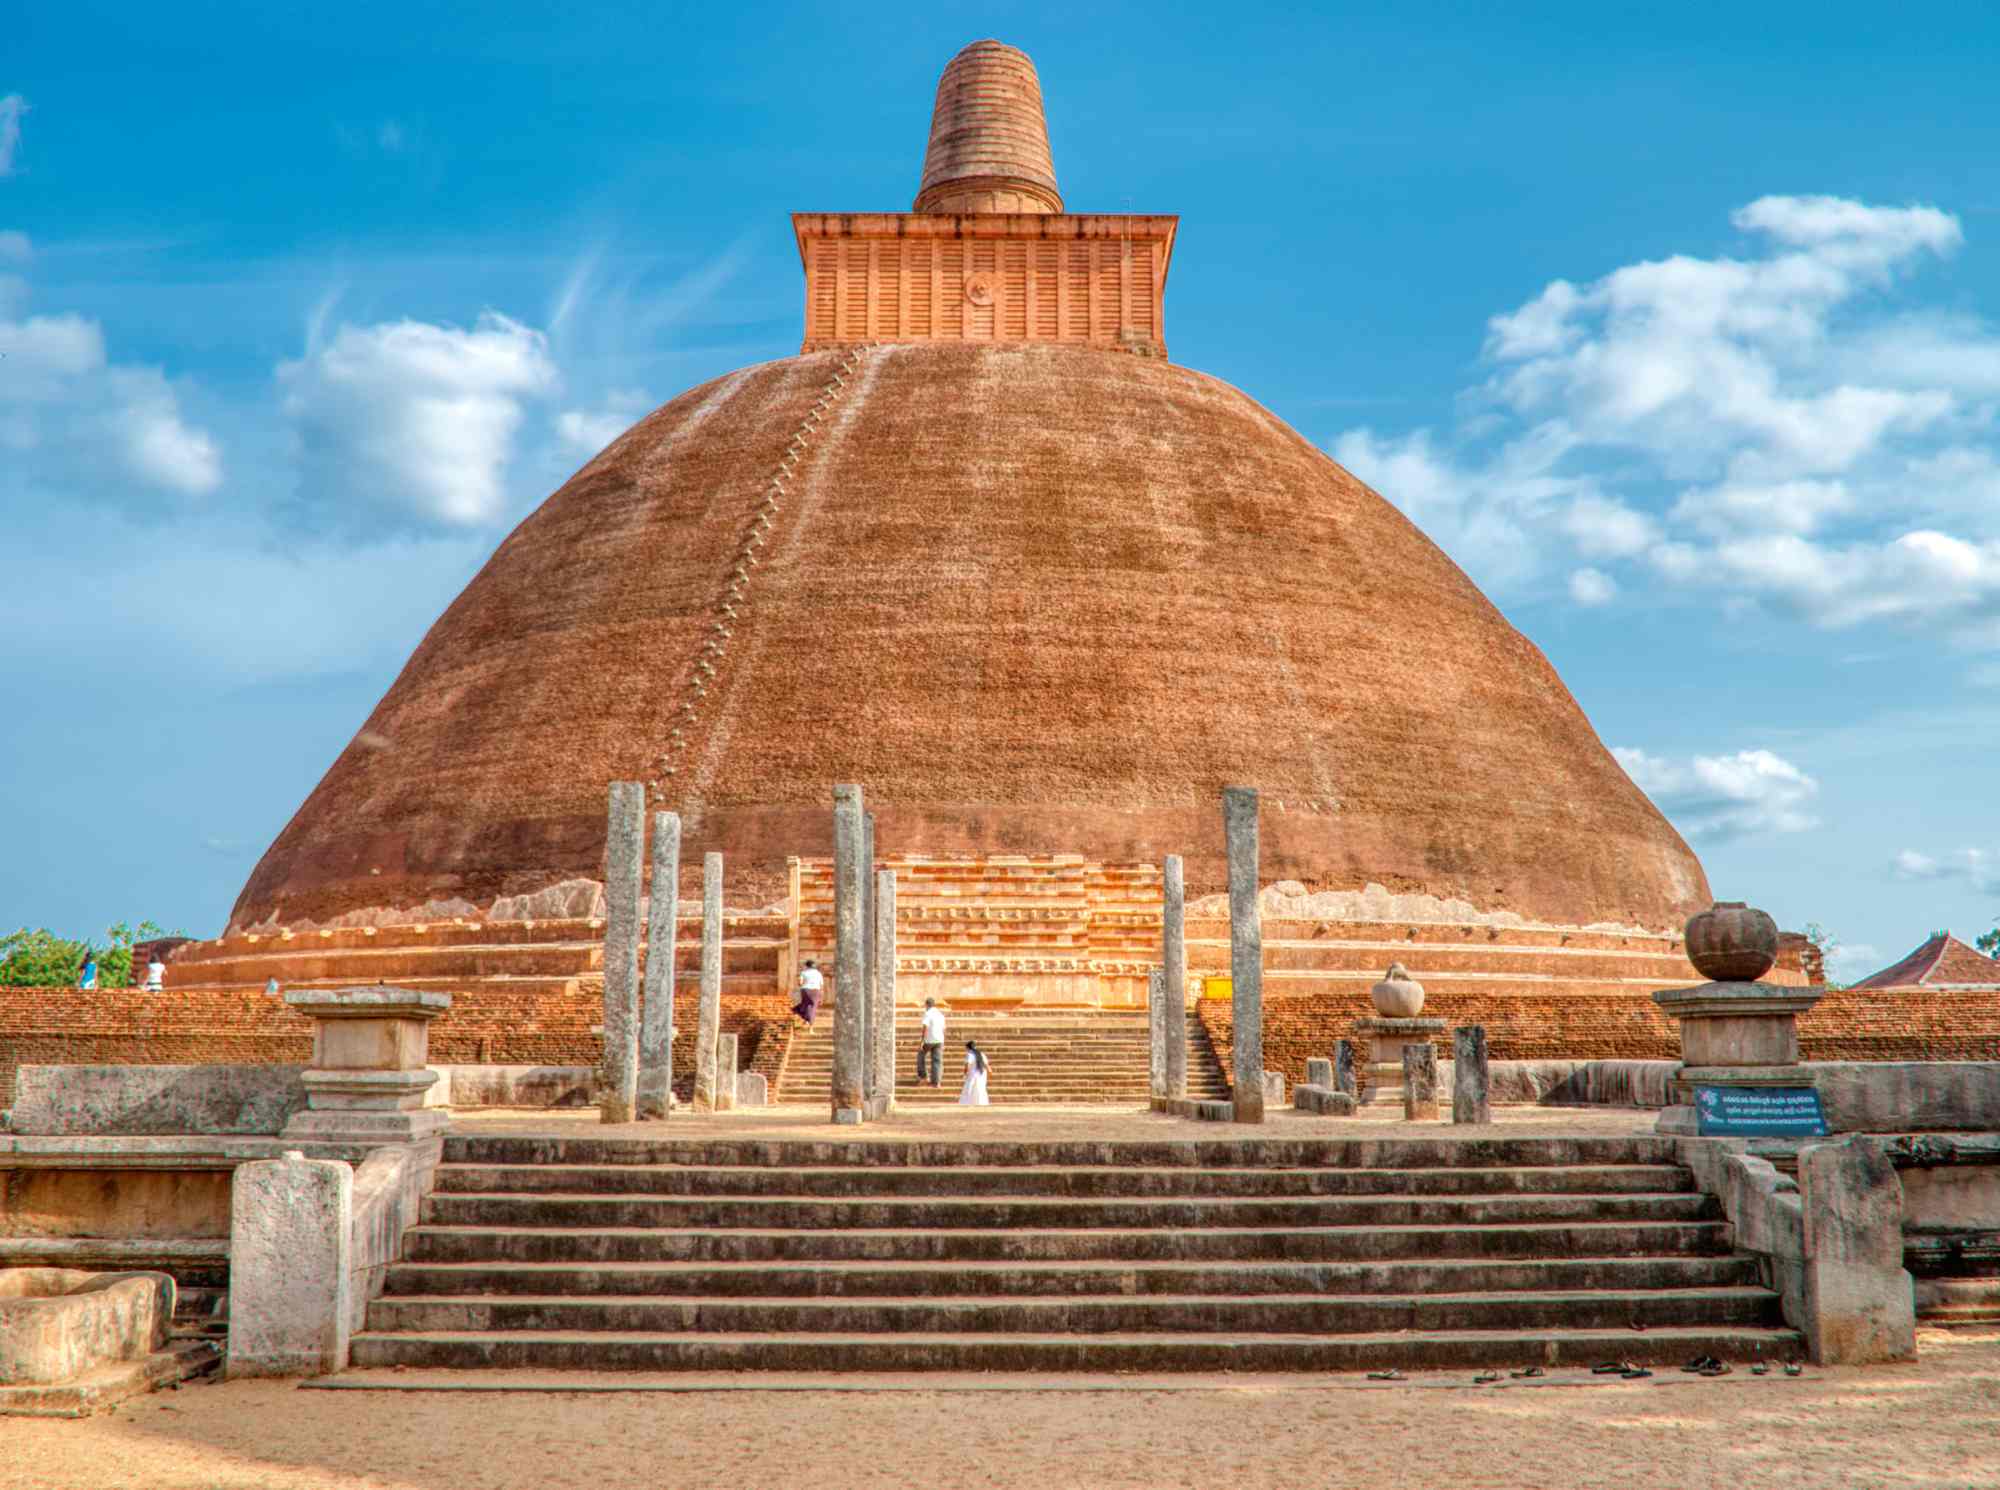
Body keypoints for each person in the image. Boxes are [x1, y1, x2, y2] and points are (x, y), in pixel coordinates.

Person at [916, 997, 946, 1087]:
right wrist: (944, 1041)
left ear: (927, 1005)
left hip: (929, 1039)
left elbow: (925, 1027)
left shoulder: (928, 1013)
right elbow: (944, 1028)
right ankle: (936, 1082)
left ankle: (924, 1077)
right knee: (937, 1061)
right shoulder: (940, 1014)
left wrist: (922, 1041)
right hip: (940, 1040)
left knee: (920, 1055)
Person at [958, 1039, 989, 1106]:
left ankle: (966, 1103)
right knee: (980, 1088)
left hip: (973, 1074)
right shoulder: (981, 1053)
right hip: (981, 1074)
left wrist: (965, 1073)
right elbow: (987, 1065)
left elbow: (967, 1065)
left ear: (968, 1047)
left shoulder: (970, 1054)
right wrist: (989, 1072)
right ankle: (981, 1103)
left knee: (969, 1088)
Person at [792, 959, 823, 1025]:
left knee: (806, 1005)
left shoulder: (803, 972)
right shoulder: (819, 973)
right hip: (816, 991)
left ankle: (803, 1017)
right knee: (812, 1007)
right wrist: (821, 997)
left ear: (807, 966)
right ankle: (810, 1025)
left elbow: (800, 983)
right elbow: (821, 985)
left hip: (805, 990)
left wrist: (801, 983)